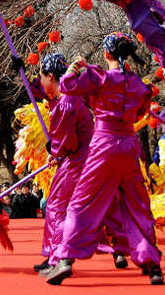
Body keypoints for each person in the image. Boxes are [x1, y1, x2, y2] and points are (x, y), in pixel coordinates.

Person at [45, 33, 162, 286]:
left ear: (107, 53)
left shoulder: (100, 77)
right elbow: (141, 110)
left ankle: (65, 258)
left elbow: (66, 86)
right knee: (137, 203)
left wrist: (75, 68)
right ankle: (152, 264)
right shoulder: (139, 85)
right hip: (130, 144)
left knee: (82, 202)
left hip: (104, 143)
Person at [34, 53, 125, 275]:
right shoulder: (74, 97)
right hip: (93, 158)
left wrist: (54, 151)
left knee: (56, 206)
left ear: (51, 76)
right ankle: (118, 248)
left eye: (41, 77)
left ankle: (57, 257)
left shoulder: (66, 102)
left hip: (77, 161)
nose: (41, 82)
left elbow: (67, 142)